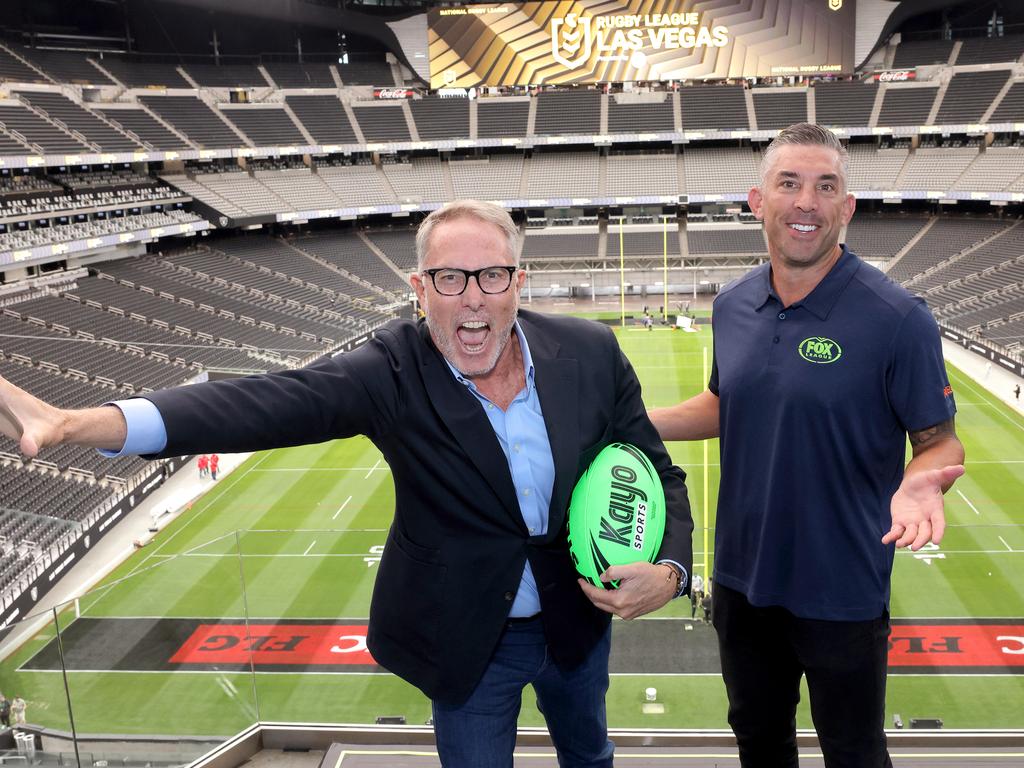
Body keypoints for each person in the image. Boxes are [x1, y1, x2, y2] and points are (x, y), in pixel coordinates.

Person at [0, 199, 694, 768]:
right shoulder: (391, 371)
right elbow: (256, 404)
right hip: (468, 644)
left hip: (577, 625)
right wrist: (73, 423)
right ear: (420, 291)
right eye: (449, 279)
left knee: (591, 755)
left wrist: (672, 571)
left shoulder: (591, 352)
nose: (472, 299)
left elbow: (656, 467)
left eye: (491, 276)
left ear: (520, 280)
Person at [650, 124, 964, 768]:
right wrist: (631, 421)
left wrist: (923, 477)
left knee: (854, 752)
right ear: (756, 200)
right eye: (788, 183)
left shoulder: (898, 317)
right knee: (759, 744)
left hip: (842, 586)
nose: (806, 202)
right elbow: (725, 403)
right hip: (743, 581)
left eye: (827, 187)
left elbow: (940, 442)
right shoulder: (733, 303)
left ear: (847, 208)